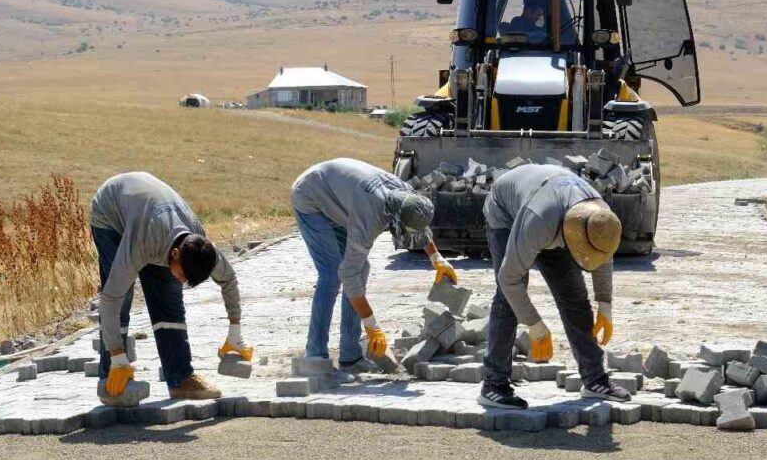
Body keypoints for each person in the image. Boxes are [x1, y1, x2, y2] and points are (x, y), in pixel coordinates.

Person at [478, 164, 630, 409]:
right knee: (509, 297)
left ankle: (594, 380)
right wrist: (535, 325)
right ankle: (493, 385)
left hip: (552, 207)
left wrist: (605, 304)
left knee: (574, 296)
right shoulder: (538, 222)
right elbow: (509, 279)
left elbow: (603, 255)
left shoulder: (600, 218)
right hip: (506, 212)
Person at [90, 172, 250, 405]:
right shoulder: (142, 242)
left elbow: (229, 279)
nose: (183, 282)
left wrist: (235, 330)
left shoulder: (198, 244)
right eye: (183, 275)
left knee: (169, 300)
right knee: (122, 298)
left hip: (150, 214)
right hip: (110, 214)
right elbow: (110, 299)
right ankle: (111, 380)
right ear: (175, 254)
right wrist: (118, 356)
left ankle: (181, 379)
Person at [291, 158, 458, 374]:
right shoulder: (369, 219)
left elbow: (418, 224)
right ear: (395, 222)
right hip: (311, 196)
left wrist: (436, 258)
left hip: (341, 198)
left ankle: (350, 356)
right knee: (333, 274)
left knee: (361, 269)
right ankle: (315, 355)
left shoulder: (405, 196)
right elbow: (348, 273)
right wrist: (372, 326)